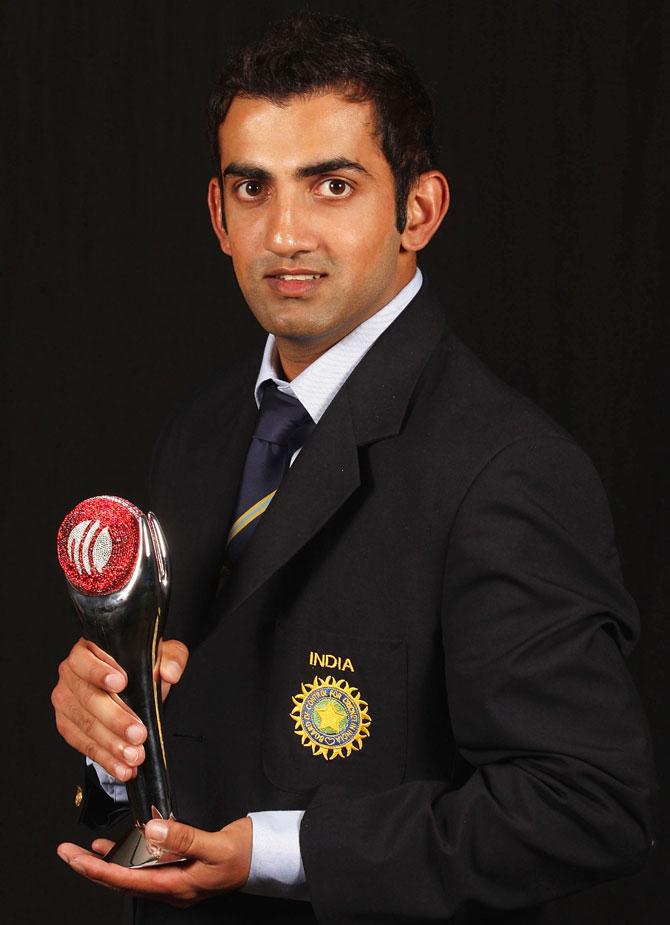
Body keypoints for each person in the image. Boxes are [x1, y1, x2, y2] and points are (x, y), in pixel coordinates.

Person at [51, 11, 656, 924]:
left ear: (419, 210)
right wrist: (113, 735)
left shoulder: (506, 470)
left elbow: (589, 806)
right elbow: (198, 720)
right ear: (218, 214)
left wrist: (283, 853)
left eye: (332, 184)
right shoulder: (204, 429)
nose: (285, 232)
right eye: (252, 189)